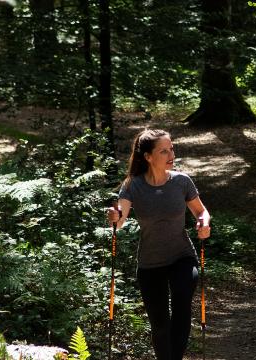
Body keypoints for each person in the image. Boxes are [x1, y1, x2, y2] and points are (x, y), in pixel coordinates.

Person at [107, 128, 210, 360]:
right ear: (148, 157)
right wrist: (114, 216)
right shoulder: (133, 185)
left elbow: (201, 211)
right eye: (164, 151)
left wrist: (204, 223)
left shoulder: (182, 182)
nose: (171, 154)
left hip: (182, 256)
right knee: (160, 325)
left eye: (171, 148)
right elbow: (120, 219)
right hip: (150, 263)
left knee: (182, 303)